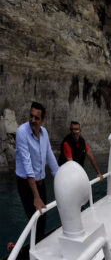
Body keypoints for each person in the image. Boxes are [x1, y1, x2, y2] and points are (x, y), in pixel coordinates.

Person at [14, 102, 59, 243]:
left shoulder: (44, 133)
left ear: (42, 121)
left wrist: (61, 179)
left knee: (43, 219)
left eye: (36, 118)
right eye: (31, 116)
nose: (32, 120)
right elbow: (28, 167)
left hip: (40, 182)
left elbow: (50, 156)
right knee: (34, 219)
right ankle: (34, 250)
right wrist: (36, 196)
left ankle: (39, 247)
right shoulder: (22, 132)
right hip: (26, 184)